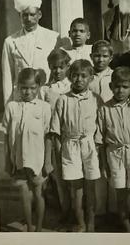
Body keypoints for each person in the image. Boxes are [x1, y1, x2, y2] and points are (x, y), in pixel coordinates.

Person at [95, 67, 130, 232]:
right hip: (114, 153)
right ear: (111, 86)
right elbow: (101, 140)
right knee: (120, 194)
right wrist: (104, 164)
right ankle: (127, 228)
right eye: (117, 86)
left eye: (125, 87)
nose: (120, 90)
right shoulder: (104, 109)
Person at [49, 60, 101, 232]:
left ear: (91, 78)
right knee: (75, 188)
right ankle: (80, 222)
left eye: (83, 76)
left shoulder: (95, 99)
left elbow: (101, 126)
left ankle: (91, 221)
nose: (79, 79)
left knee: (90, 187)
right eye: (75, 75)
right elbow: (55, 130)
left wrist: (98, 146)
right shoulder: (63, 99)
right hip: (70, 146)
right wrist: (58, 151)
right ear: (70, 77)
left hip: (90, 146)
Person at [2, 68, 52, 232]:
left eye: (32, 88)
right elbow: (7, 137)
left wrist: (48, 161)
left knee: (38, 192)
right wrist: (8, 162)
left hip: (38, 159)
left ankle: (38, 227)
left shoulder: (44, 107)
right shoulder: (12, 107)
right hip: (18, 159)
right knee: (24, 191)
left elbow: (48, 136)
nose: (28, 91)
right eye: (24, 87)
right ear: (17, 87)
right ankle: (29, 226)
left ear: (38, 87)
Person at [2, 0, 60, 104]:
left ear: (39, 14)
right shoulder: (10, 41)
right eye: (25, 15)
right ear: (20, 16)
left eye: (32, 14)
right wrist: (8, 104)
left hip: (45, 96)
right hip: (20, 97)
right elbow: (7, 77)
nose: (28, 19)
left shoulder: (53, 37)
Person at [39, 48, 71, 228]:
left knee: (73, 176)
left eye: (61, 67)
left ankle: (77, 211)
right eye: (54, 68)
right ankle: (65, 211)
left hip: (71, 135)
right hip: (54, 135)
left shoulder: (72, 85)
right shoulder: (45, 90)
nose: (57, 71)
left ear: (67, 67)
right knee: (58, 175)